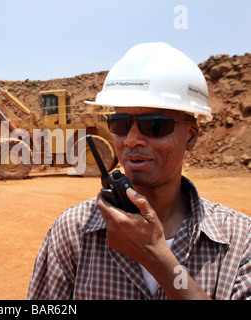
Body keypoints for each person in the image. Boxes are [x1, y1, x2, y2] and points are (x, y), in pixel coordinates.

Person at [26, 42, 251, 300]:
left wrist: (156, 257)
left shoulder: (240, 241)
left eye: (154, 125)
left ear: (190, 136)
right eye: (120, 124)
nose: (131, 139)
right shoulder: (72, 233)